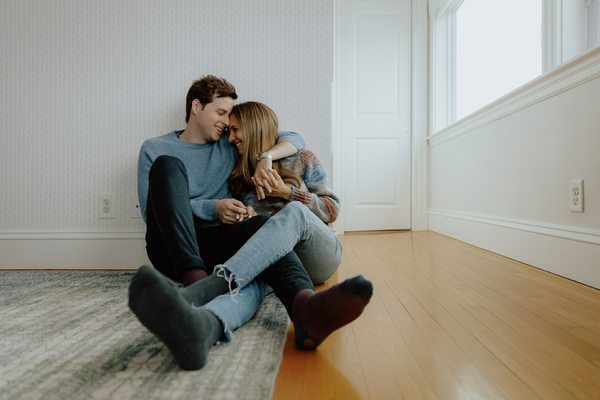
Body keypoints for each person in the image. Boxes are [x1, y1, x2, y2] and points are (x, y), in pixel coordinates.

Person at [128, 75, 373, 370]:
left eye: (231, 120)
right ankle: (197, 285)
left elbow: (293, 137)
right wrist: (213, 208)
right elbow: (152, 211)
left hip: (222, 246)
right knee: (168, 166)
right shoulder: (155, 148)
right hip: (172, 246)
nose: (226, 126)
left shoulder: (229, 147)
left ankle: (206, 326)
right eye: (220, 113)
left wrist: (265, 159)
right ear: (196, 106)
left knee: (260, 236)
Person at [228, 101, 342, 285]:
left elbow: (332, 210)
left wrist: (288, 193)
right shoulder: (239, 174)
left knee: (295, 210)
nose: (230, 138)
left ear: (252, 128)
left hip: (318, 254)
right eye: (228, 131)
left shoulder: (303, 158)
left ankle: (226, 279)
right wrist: (248, 218)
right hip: (277, 263)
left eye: (235, 129)